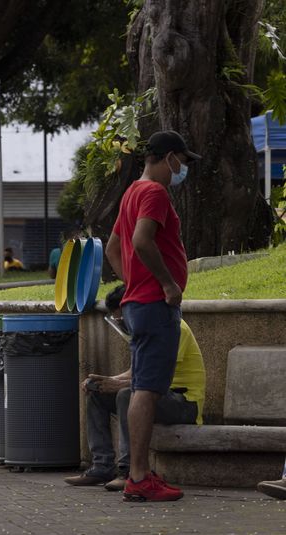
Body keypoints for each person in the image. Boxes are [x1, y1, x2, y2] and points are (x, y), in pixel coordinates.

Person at [105, 130, 200, 502]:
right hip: (154, 306)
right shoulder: (155, 193)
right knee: (147, 390)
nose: (183, 169)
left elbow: (113, 248)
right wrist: (165, 284)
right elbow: (141, 240)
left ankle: (137, 474)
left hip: (138, 303)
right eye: (183, 162)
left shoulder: (132, 191)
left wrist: (134, 282)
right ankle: (140, 476)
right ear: (170, 157)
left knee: (141, 387)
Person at [64, 285, 204, 491]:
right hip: (157, 397)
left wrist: (117, 385)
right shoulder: (144, 332)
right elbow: (135, 372)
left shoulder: (174, 329)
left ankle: (128, 469)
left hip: (183, 403)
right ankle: (102, 465)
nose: (122, 324)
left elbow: (158, 379)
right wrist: (105, 381)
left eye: (123, 318)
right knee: (96, 392)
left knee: (126, 395)